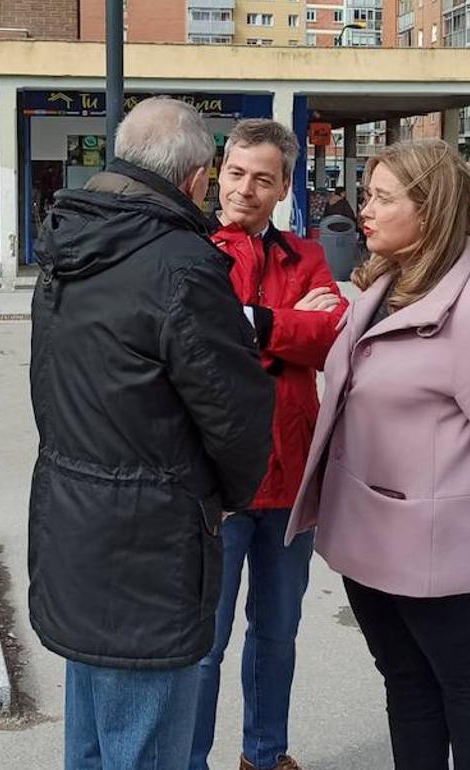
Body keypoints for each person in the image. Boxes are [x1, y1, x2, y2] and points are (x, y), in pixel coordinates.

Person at [286, 139, 470, 770]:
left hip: (439, 545)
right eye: (367, 195)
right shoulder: (385, 285)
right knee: (405, 681)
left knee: (466, 687)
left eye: (383, 198)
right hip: (367, 538)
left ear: (430, 211)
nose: (365, 210)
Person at [28, 97, 275, 770]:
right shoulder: (182, 264)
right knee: (143, 743)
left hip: (74, 524)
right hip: (152, 546)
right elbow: (237, 414)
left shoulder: (68, 244)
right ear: (197, 178)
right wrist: (225, 497)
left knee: (92, 742)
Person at [191, 119, 348, 770]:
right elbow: (200, 350)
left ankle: (265, 754)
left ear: (284, 187)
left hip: (290, 478)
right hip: (217, 484)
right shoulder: (194, 252)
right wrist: (287, 328)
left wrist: (255, 325)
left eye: (263, 178)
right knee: (204, 643)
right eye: (235, 173)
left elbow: (334, 337)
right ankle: (189, 760)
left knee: (278, 633)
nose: (245, 189)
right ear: (217, 174)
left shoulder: (306, 256)